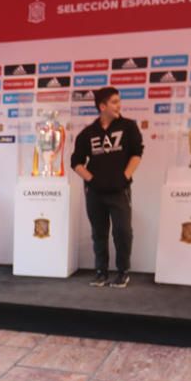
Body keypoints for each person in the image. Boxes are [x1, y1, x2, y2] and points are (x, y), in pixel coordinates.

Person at [70, 86, 144, 288]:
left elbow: (137, 153)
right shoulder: (88, 133)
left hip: (119, 191)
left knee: (122, 231)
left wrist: (124, 176)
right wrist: (91, 179)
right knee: (99, 232)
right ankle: (101, 271)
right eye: (114, 102)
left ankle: (122, 272)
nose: (119, 105)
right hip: (95, 193)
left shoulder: (128, 127)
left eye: (119, 101)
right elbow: (76, 161)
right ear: (102, 106)